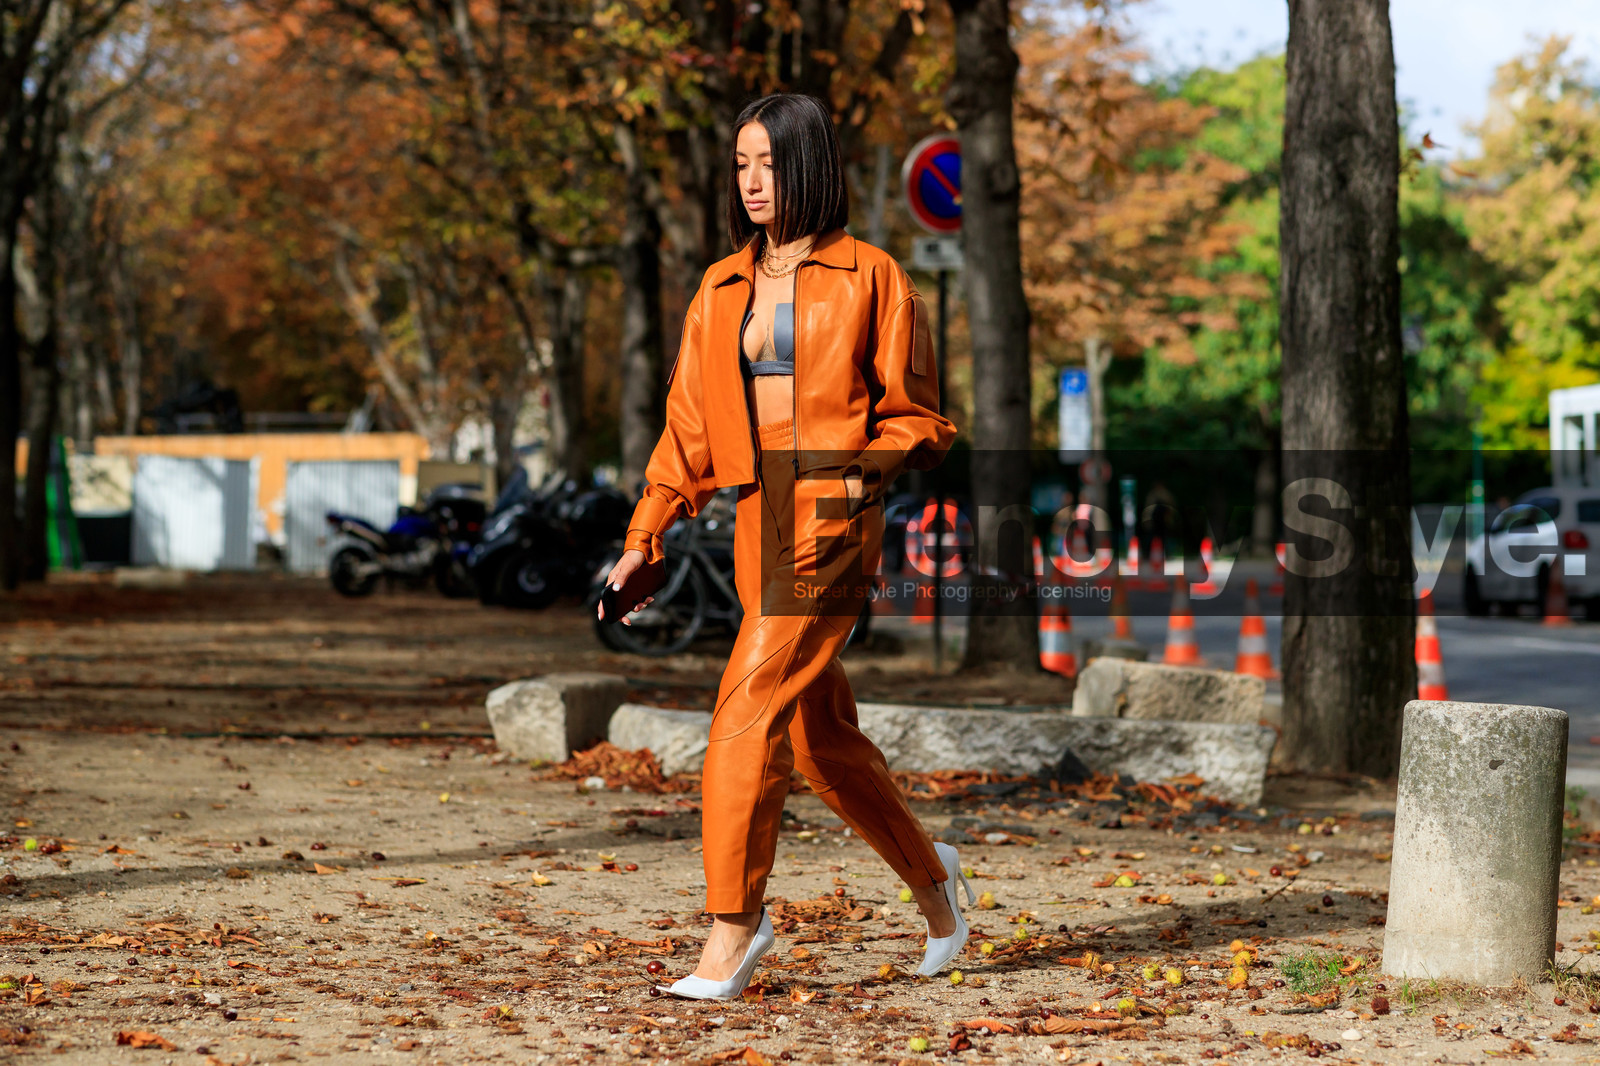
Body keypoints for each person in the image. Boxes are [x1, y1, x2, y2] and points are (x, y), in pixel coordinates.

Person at [599, 93, 967, 1000]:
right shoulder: (720, 287)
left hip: (834, 522)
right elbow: (686, 429)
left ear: (807, 165)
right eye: (740, 165)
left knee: (745, 705)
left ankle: (734, 927)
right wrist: (644, 536)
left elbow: (920, 420)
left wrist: (850, 477)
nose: (752, 182)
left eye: (768, 163)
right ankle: (939, 888)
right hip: (754, 519)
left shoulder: (874, 277)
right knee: (817, 740)